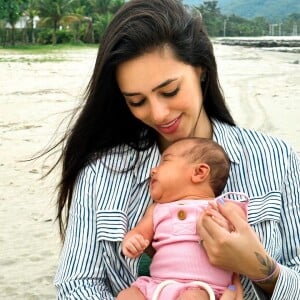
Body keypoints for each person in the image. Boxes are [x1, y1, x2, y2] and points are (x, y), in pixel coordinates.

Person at [53, 0, 300, 299]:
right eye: (137, 101)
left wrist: (261, 269)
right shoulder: (100, 173)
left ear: (201, 71)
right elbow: (76, 285)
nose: (158, 114)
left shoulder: (275, 158)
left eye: (169, 91)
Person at [118, 137, 248, 300]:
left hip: (202, 289)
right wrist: (132, 241)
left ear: (199, 172)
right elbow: (140, 232)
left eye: (165, 161)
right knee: (127, 295)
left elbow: (245, 239)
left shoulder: (224, 207)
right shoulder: (157, 210)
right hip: (157, 285)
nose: (153, 170)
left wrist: (230, 225)